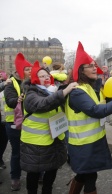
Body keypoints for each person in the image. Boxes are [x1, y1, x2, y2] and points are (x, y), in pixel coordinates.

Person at [65, 41, 112, 194]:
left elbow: (102, 102)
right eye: (90, 65)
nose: (94, 67)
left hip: (92, 142)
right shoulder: (77, 91)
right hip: (83, 144)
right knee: (90, 177)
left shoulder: (89, 87)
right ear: (81, 71)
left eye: (93, 64)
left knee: (83, 175)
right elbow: (95, 110)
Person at [20, 61, 77, 194]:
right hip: (35, 143)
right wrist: (65, 91)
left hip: (54, 140)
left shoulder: (53, 90)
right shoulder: (31, 94)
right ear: (34, 79)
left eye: (47, 75)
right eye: (41, 76)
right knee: (34, 174)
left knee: (52, 171)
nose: (45, 77)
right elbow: (43, 104)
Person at [4, 53, 33, 191]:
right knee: (17, 152)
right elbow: (10, 101)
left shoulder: (34, 82)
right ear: (21, 71)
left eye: (31, 69)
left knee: (34, 150)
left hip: (32, 124)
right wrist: (18, 99)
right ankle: (15, 178)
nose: (30, 71)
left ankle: (38, 173)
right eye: (27, 69)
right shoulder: (11, 83)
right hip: (14, 125)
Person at [0, 71, 10, 170]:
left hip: (3, 118)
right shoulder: (4, 84)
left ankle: (0, 158)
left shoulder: (7, 84)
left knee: (4, 140)